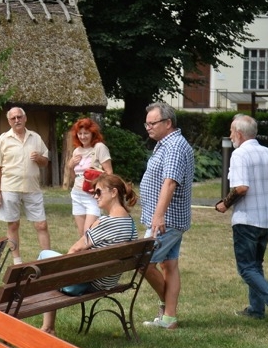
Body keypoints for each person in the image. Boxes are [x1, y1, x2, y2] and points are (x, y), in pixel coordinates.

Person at [215, 114, 268, 332]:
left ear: (239, 133)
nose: (230, 135)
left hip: (247, 220)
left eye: (231, 131)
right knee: (256, 265)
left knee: (247, 268)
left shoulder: (240, 154)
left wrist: (225, 204)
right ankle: (255, 309)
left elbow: (241, 188)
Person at [38, 172, 138, 335]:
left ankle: (48, 327)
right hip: (108, 280)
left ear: (113, 193)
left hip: (86, 283)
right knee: (51, 267)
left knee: (45, 257)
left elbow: (76, 249)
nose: (95, 196)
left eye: (98, 192)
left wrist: (60, 270)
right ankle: (47, 327)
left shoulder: (105, 222)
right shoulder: (130, 223)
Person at [139, 102, 194, 330]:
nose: (148, 127)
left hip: (166, 220)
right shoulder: (166, 144)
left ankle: (166, 306)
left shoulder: (174, 147)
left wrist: (159, 215)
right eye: (147, 123)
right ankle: (169, 318)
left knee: (143, 262)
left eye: (152, 123)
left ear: (168, 123)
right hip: (167, 218)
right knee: (169, 266)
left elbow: (170, 183)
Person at [0, 107, 51, 265]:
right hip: (10, 187)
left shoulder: (35, 138)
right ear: (9, 121)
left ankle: (47, 259)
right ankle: (17, 261)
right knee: (13, 224)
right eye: (13, 118)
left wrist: (39, 158)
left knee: (41, 224)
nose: (16, 120)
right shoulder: (4, 139)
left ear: (25, 118)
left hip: (33, 188)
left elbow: (45, 162)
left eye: (19, 117)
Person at [67, 117, 114, 236]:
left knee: (89, 233)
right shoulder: (77, 151)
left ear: (93, 133)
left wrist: (99, 190)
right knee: (82, 235)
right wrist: (70, 166)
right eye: (80, 133)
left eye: (86, 133)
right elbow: (75, 178)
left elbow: (109, 173)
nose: (82, 137)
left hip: (92, 196)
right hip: (77, 194)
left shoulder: (99, 147)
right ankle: (86, 254)